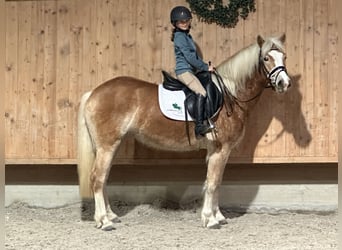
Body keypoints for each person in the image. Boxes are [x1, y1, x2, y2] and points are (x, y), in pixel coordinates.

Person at [170, 6, 214, 138]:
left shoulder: (187, 36)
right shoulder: (179, 37)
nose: (184, 23)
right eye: (180, 22)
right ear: (175, 23)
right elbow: (190, 57)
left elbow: (193, 57)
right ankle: (199, 127)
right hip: (184, 71)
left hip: (190, 71)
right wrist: (206, 67)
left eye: (186, 21)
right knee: (201, 92)